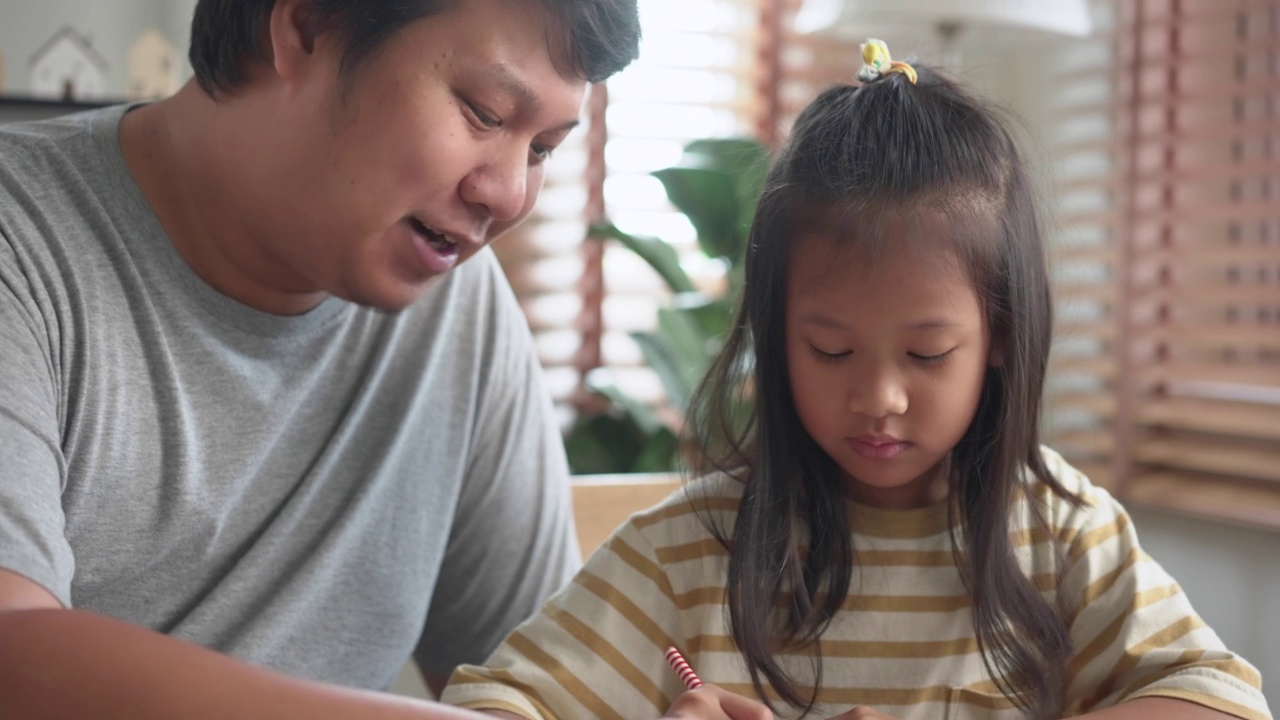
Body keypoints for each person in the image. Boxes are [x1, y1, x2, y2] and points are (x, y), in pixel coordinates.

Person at [438, 41, 1273, 720]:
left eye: (926, 355)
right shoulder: (690, 554)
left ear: (1003, 339)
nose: (879, 397)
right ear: (775, 338)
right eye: (831, 352)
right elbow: (492, 706)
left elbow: (1224, 698)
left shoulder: (1059, 538)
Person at [0, 0, 639, 717]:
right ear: (306, 28)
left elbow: (547, 690)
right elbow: (14, 654)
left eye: (543, 148)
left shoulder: (459, 308)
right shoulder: (23, 245)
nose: (509, 192)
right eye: (485, 114)